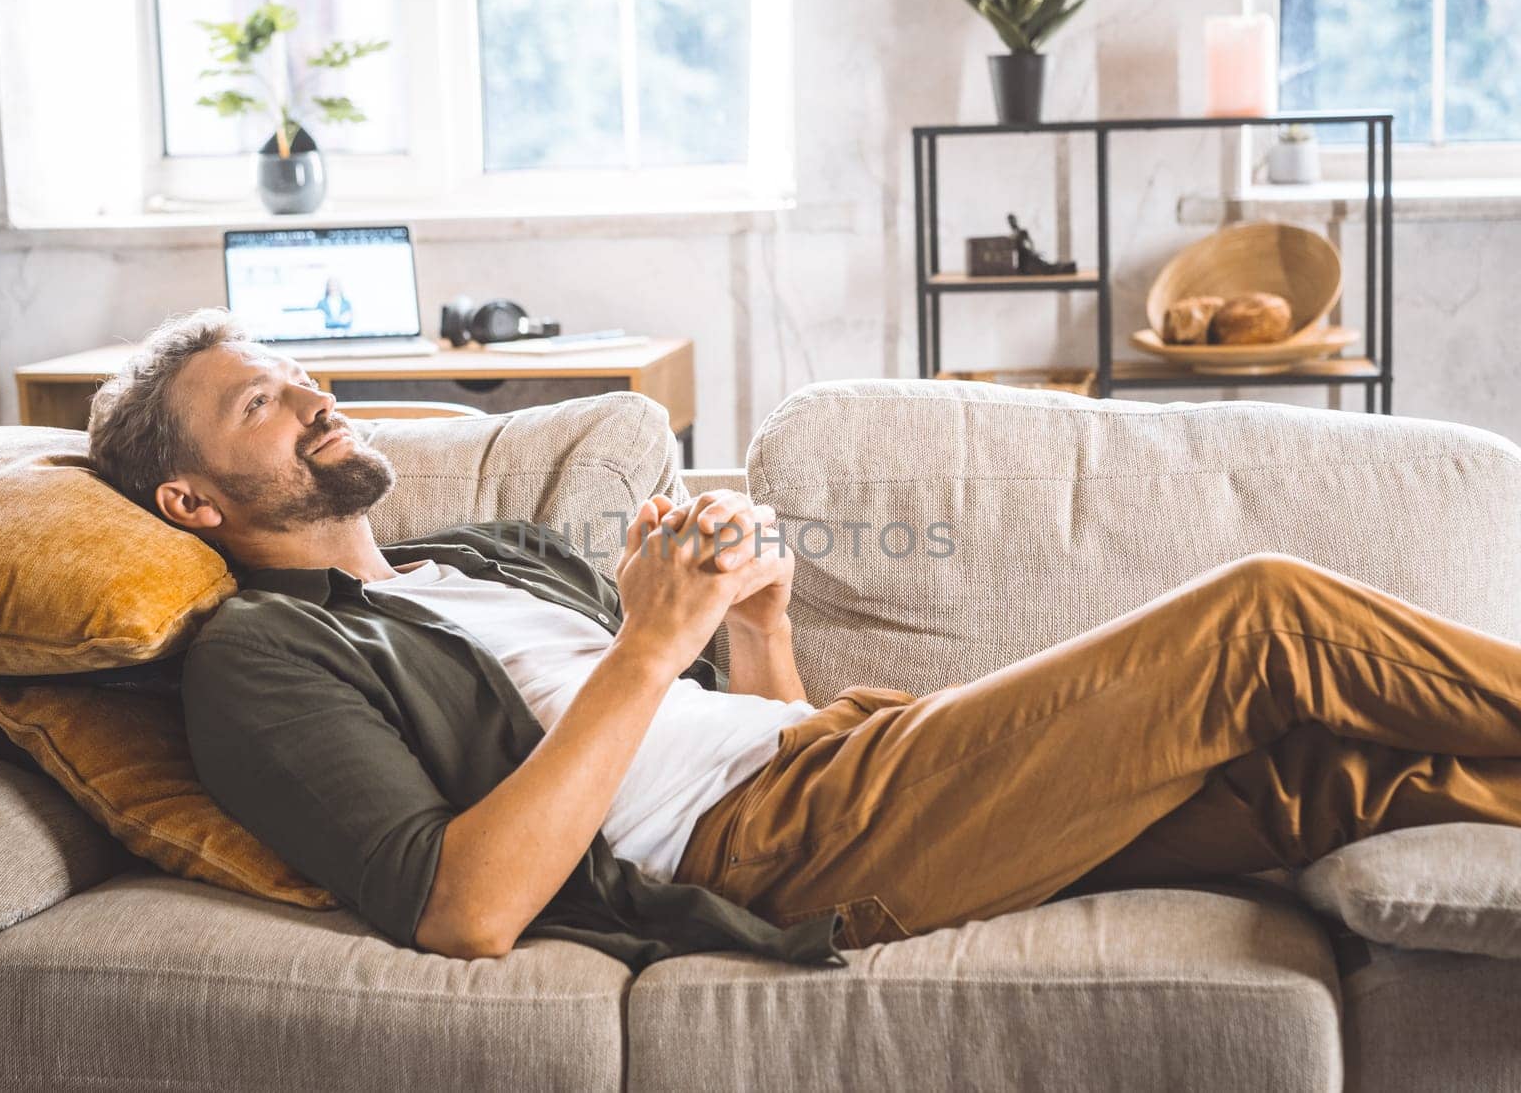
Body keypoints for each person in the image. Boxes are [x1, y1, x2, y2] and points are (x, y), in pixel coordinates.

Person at [87, 307, 1521, 968]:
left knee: (1322, 781)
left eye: (295, 371)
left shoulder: (484, 559)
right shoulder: (261, 654)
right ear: (188, 496)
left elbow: (742, 729)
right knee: (1261, 618)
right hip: (772, 845)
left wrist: (758, 630)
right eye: (258, 403)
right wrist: (650, 649)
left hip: (836, 762)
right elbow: (462, 910)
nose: (311, 393)